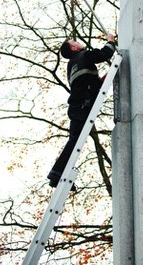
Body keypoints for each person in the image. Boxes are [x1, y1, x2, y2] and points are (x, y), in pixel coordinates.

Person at [47, 33, 116, 190]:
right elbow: (103, 54)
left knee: (74, 140)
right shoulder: (84, 55)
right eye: (74, 41)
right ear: (73, 48)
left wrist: (107, 76)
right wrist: (110, 41)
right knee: (75, 141)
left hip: (77, 106)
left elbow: (89, 83)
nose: (77, 42)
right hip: (82, 106)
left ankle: (57, 174)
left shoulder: (73, 64)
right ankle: (57, 174)